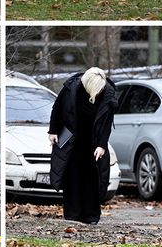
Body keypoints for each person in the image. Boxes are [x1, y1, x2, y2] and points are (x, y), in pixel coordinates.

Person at [48, 67, 117, 225]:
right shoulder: (71, 89)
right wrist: (52, 131)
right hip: (70, 140)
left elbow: (107, 123)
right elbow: (57, 109)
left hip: (92, 143)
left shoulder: (107, 94)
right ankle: (72, 214)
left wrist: (102, 145)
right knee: (71, 177)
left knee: (91, 179)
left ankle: (90, 215)